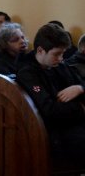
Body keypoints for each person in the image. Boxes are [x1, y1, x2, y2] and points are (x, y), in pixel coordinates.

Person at [17, 23, 85, 168]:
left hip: (73, 122)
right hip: (56, 133)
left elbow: (79, 83)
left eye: (63, 54)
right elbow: (49, 110)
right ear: (40, 50)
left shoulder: (59, 65)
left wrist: (80, 88)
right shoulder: (27, 73)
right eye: (57, 54)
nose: (61, 59)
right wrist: (81, 108)